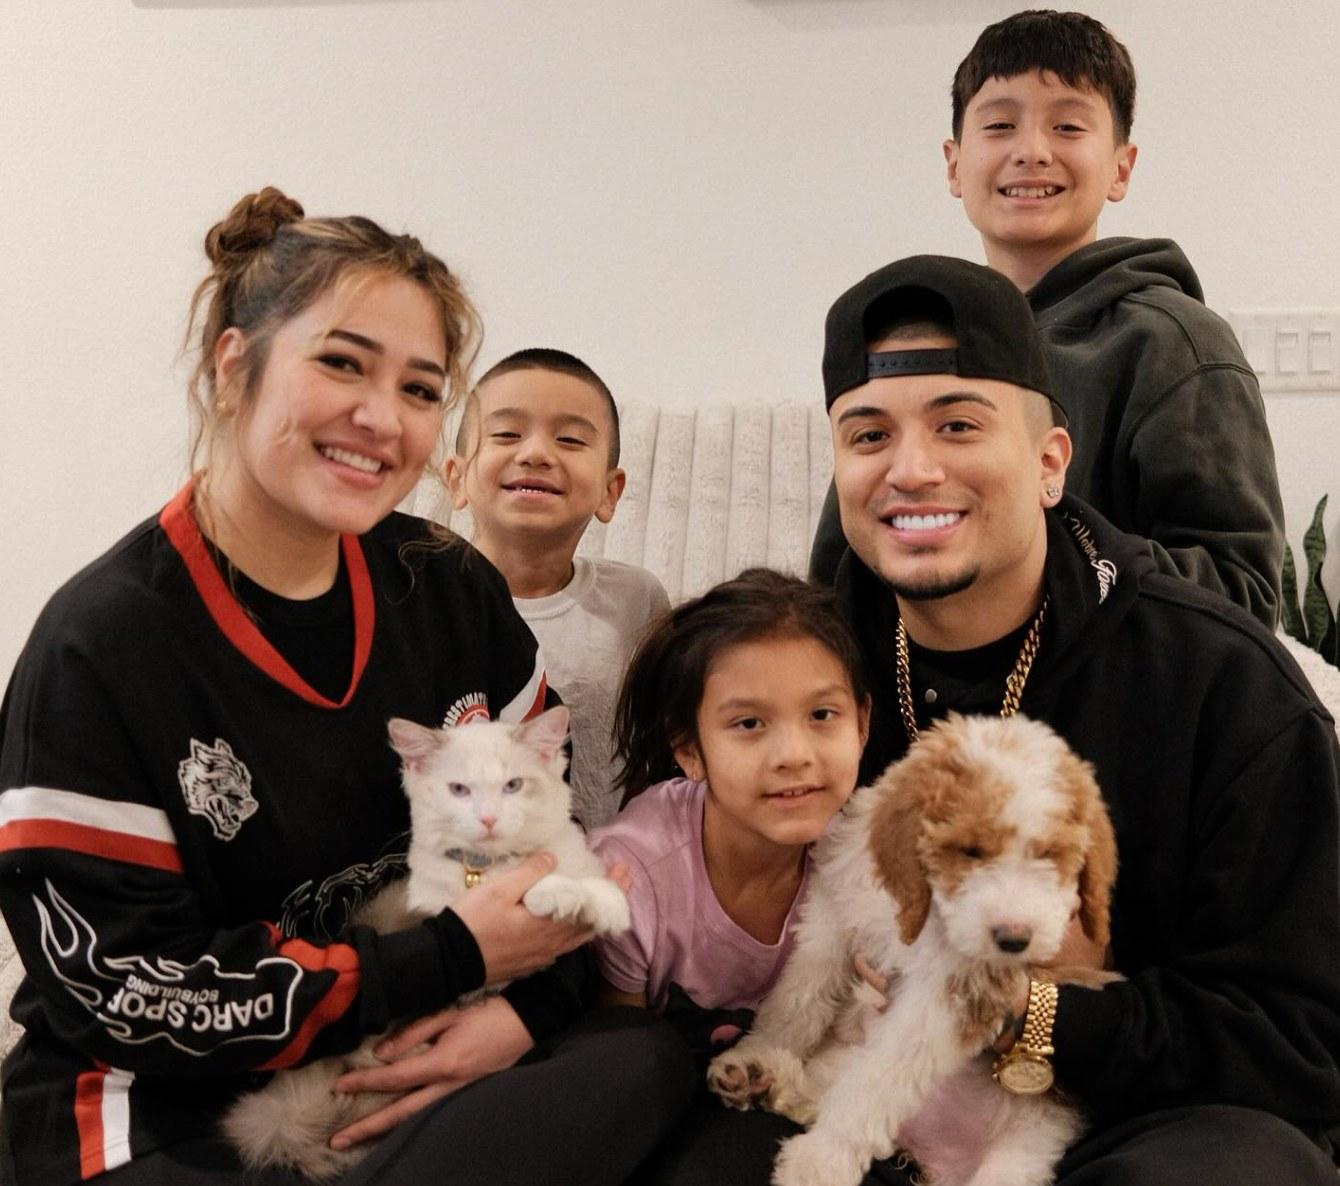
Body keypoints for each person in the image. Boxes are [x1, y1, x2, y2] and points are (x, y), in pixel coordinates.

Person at [0, 188, 693, 1186]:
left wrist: (515, 1013)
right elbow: (125, 996)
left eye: (420, 388)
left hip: (411, 1049)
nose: (381, 419)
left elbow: (556, 871)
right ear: (234, 364)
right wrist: (453, 959)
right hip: (176, 1103)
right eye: (340, 363)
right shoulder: (101, 644)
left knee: (649, 1058)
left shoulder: (451, 588)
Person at [815, 253, 1340, 1184]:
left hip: (1138, 1123)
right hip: (857, 1091)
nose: (912, 469)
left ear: (1050, 460)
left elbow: (1304, 1045)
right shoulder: (805, 662)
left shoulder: (1221, 682)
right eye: (868, 436)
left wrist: (1026, 1009)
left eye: (959, 424)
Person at [810, 8, 1285, 630]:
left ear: (1121, 166)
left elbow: (1242, 594)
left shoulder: (1175, 343)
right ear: (954, 164)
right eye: (1001, 125)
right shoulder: (912, 335)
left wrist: (1022, 563)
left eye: (1067, 126)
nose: (1031, 152)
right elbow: (833, 585)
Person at [590, 568, 870, 1182]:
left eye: (823, 714)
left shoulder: (865, 864)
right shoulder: (633, 875)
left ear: (863, 724)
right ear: (689, 750)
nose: (794, 754)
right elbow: (611, 1075)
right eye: (749, 725)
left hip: (775, 1109)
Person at [445, 349, 669, 829]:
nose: (535, 454)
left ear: (610, 492)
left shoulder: (637, 601)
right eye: (506, 434)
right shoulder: (422, 600)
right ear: (456, 477)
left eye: (569, 440)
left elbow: (661, 751)